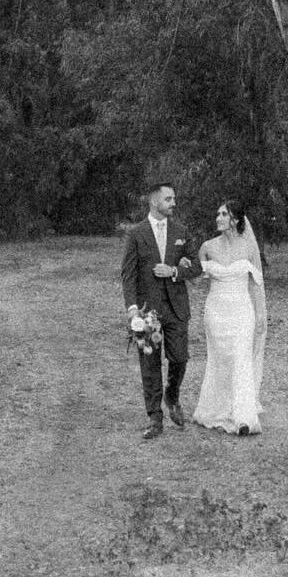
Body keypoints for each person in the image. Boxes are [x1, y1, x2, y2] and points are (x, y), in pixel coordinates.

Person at [120, 180, 203, 440]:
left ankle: (172, 395)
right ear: (154, 201)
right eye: (168, 199)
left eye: (174, 198)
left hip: (176, 307)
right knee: (150, 365)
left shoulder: (181, 230)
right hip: (148, 312)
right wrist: (133, 310)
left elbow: (198, 266)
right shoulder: (136, 234)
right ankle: (155, 418)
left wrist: (175, 271)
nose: (173, 203)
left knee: (180, 358)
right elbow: (128, 275)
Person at [193, 198, 266, 436]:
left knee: (241, 358)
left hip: (243, 311)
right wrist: (183, 266)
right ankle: (217, 408)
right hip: (216, 312)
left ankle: (243, 417)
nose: (218, 218)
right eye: (218, 214)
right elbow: (195, 279)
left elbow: (256, 285)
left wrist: (260, 315)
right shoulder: (207, 247)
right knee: (221, 360)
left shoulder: (249, 248)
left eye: (223, 214)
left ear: (235, 220)